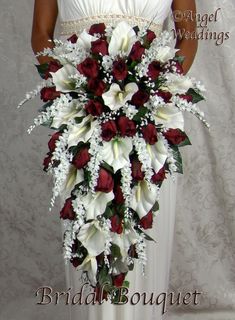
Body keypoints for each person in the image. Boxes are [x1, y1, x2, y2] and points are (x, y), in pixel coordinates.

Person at [31, 1, 198, 319]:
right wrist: (74, 82)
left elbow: (189, 35)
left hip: (150, 113)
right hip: (82, 111)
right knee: (90, 229)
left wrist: (156, 89)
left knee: (142, 225)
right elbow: (40, 34)